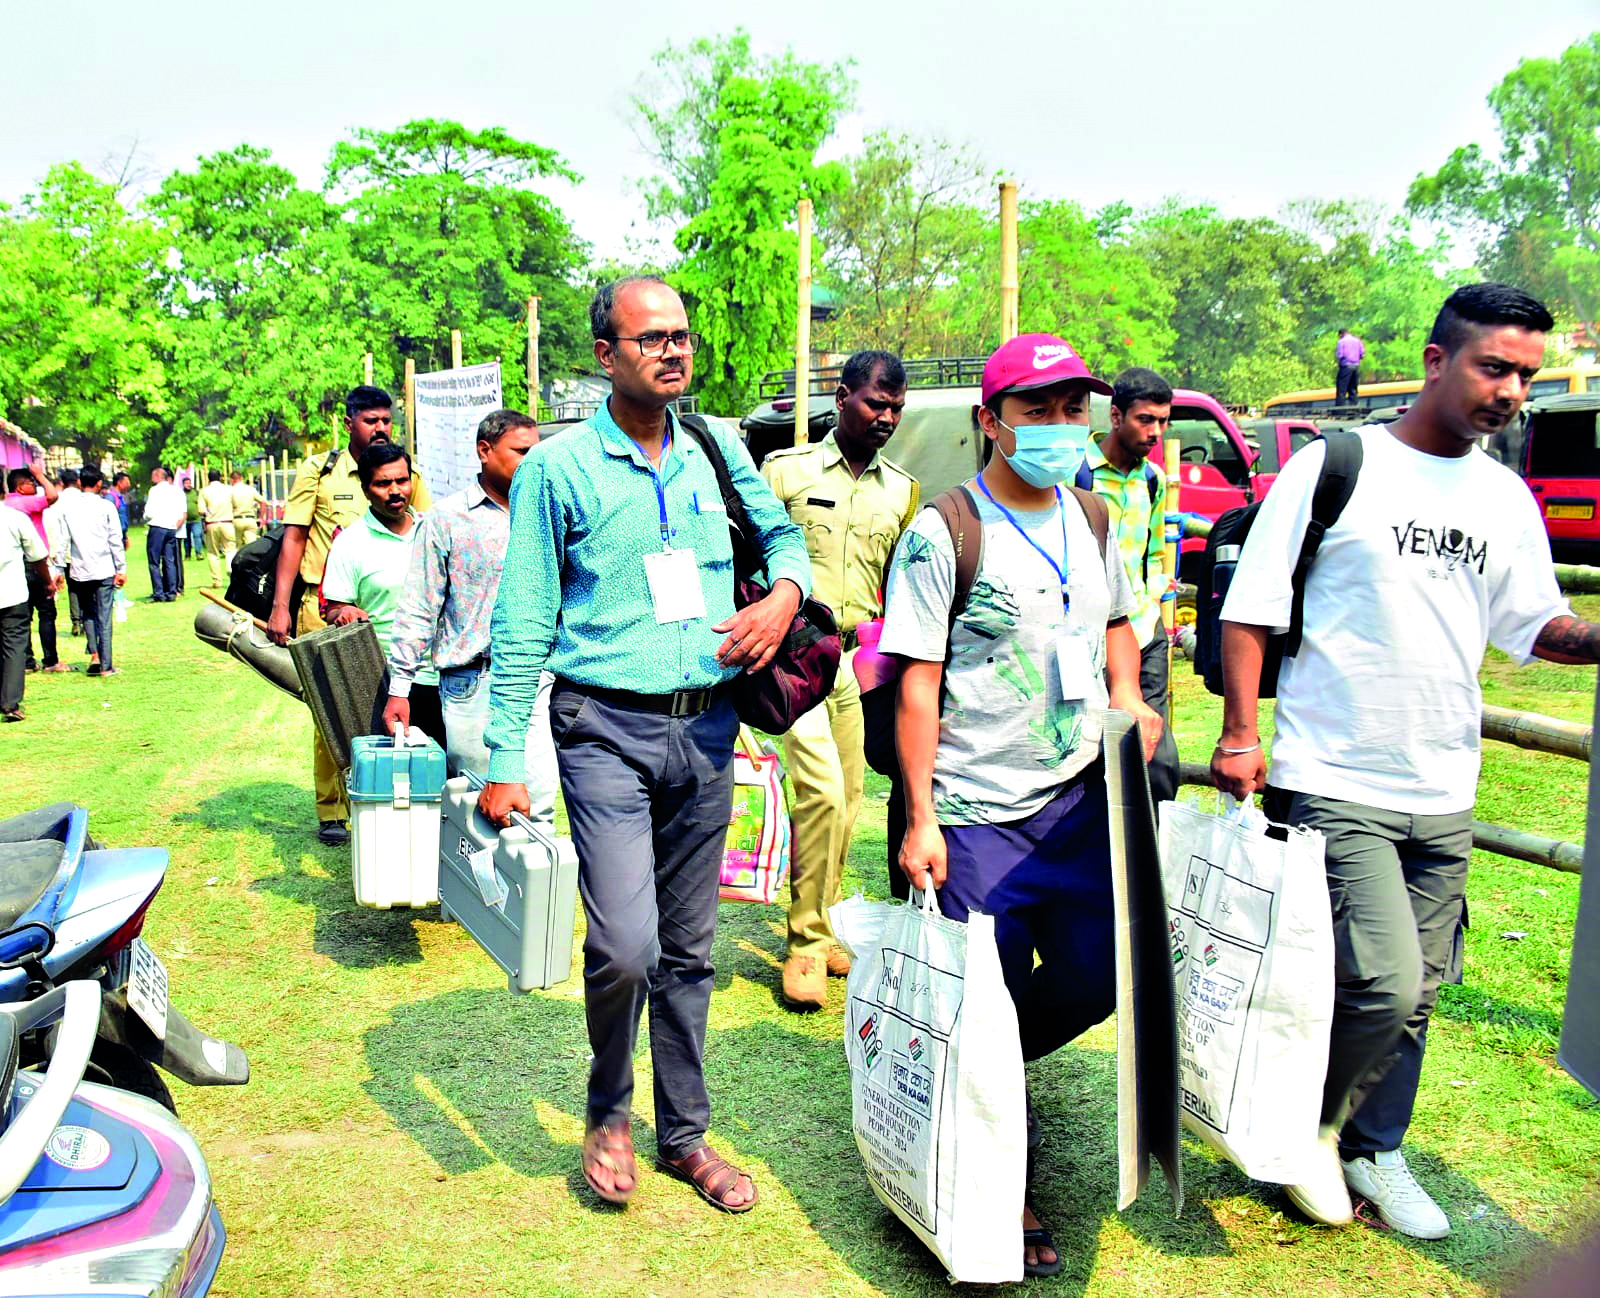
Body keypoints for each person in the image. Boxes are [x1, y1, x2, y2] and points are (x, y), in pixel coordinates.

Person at [1211, 283, 1600, 1239]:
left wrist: (1594, 637)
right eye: (1494, 367)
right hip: (1335, 770)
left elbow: (1532, 629)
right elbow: (1251, 609)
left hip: (1443, 781)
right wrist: (1240, 732)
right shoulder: (1335, 468)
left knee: (1419, 992)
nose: (1512, 391)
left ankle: (1372, 1153)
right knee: (1381, 980)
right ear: (1437, 362)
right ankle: (1309, 1128)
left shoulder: (1503, 497)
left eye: (1526, 375)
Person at [476, 276, 810, 1213]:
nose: (674, 350)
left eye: (682, 336)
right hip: (602, 729)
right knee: (627, 944)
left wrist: (781, 598)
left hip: (707, 727)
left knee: (691, 950)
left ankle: (686, 1136)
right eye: (651, 337)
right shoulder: (559, 467)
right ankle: (609, 1111)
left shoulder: (717, 446)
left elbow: (783, 537)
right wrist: (505, 756)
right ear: (604, 356)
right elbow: (526, 615)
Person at [881, 332, 1162, 1277]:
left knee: (1099, 975)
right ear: (989, 421)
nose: (1057, 426)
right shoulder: (943, 530)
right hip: (975, 813)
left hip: (1082, 802)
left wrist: (1131, 703)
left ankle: (975, 1066)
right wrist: (920, 817)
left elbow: (1118, 624)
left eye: (1070, 408)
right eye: (1035, 410)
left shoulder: (1092, 515)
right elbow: (916, 683)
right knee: (987, 1012)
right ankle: (1002, 1183)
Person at [759, 350, 917, 1010]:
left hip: (855, 661)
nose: (886, 417)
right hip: (795, 657)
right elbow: (750, 554)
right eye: (876, 404)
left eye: (896, 409)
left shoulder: (902, 489)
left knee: (849, 799)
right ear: (844, 397)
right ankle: (804, 944)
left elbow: (902, 580)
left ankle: (821, 926)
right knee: (820, 788)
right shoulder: (787, 470)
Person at [267, 386, 433, 847]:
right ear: (350, 424)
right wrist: (280, 605)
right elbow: (295, 536)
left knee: (395, 715)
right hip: (328, 607)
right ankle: (332, 809)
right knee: (333, 712)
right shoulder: (318, 471)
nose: (380, 427)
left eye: (386, 420)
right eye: (370, 420)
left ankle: (396, 800)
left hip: (395, 608)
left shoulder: (409, 472)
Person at [383, 409, 556, 822]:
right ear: (484, 450)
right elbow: (419, 606)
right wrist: (400, 686)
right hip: (473, 684)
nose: (532, 461)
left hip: (540, 679)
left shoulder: (548, 511)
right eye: (521, 452)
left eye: (537, 453)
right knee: (484, 808)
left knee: (539, 803)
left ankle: (534, 888)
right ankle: (482, 888)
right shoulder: (447, 519)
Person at [1082, 367, 1180, 806]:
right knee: (1089, 757)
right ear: (1116, 416)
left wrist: (1158, 593)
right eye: (1146, 419)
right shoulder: (1078, 473)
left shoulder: (1152, 479)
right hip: (1090, 637)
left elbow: (1156, 550)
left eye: (1163, 421)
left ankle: (1151, 867)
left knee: (1157, 763)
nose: (1155, 431)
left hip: (1143, 631)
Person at [322, 443, 445, 749]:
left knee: (459, 782)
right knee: (404, 785)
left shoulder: (436, 531)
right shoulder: (349, 544)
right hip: (391, 684)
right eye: (382, 483)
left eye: (402, 481)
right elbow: (335, 609)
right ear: (365, 489)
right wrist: (345, 614)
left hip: (450, 679)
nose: (395, 491)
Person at [54, 467, 126, 678]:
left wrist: (58, 569)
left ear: (79, 483)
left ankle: (95, 655)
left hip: (79, 569)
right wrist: (121, 568)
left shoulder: (68, 508)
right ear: (98, 484)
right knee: (104, 616)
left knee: (88, 614)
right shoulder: (106, 507)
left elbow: (62, 542)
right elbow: (115, 539)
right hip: (103, 568)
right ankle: (106, 665)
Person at [0, 476, 54, 721]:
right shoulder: (15, 518)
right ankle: (10, 704)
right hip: (11, 594)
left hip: (13, 593)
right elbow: (37, 556)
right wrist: (47, 581)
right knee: (14, 648)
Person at [4, 467, 65, 674]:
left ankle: (27, 662)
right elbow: (53, 495)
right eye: (31, 483)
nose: (36, 485)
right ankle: (50, 660)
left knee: (24, 614)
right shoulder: (24, 502)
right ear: (20, 488)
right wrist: (40, 474)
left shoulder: (8, 504)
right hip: (35, 564)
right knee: (47, 612)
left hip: (18, 566)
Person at [142, 467, 185, 602]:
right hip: (171, 527)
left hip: (157, 526)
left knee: (154, 561)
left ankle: (159, 592)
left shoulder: (155, 490)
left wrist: (145, 517)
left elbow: (149, 511)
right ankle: (172, 591)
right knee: (169, 560)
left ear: (157, 476)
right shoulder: (175, 490)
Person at [198, 469, 236, 588]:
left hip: (212, 524)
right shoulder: (229, 489)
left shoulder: (204, 491)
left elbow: (201, 510)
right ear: (220, 477)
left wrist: (209, 513)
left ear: (208, 478)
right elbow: (235, 504)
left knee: (213, 553)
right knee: (230, 549)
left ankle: (217, 581)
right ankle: (231, 569)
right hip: (227, 522)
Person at [230, 470, 265, 549]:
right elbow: (263, 502)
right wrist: (261, 517)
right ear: (241, 478)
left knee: (238, 546)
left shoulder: (231, 490)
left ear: (232, 480)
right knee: (251, 547)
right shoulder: (251, 489)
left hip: (236, 519)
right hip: (250, 519)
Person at [1336, 328, 1364, 405]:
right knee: (1353, 389)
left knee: (1341, 389)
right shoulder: (1357, 341)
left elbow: (1340, 355)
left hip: (1346, 366)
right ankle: (1354, 407)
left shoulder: (1341, 342)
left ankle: (1340, 409)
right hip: (1356, 366)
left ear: (1341, 334)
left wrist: (1339, 364)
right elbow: (1362, 354)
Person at [108, 472, 132, 550]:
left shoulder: (120, 497)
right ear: (119, 483)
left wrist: (125, 537)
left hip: (121, 535)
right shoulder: (111, 498)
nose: (129, 485)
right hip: (114, 536)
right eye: (127, 482)